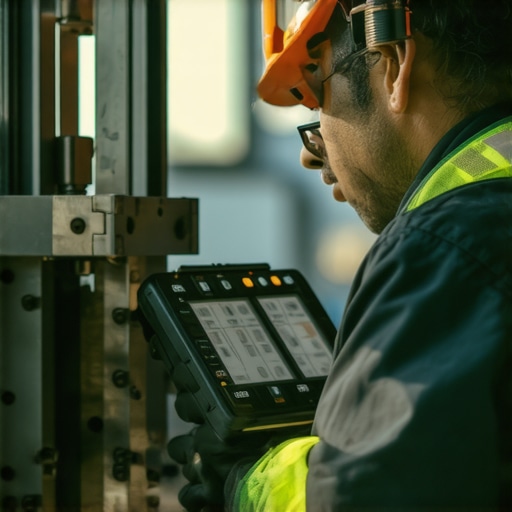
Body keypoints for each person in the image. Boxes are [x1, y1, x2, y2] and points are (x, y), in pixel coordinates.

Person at [164, 1, 512, 510]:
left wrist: (246, 480)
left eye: (313, 91)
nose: (310, 151)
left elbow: (367, 498)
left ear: (393, 63)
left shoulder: (446, 247)